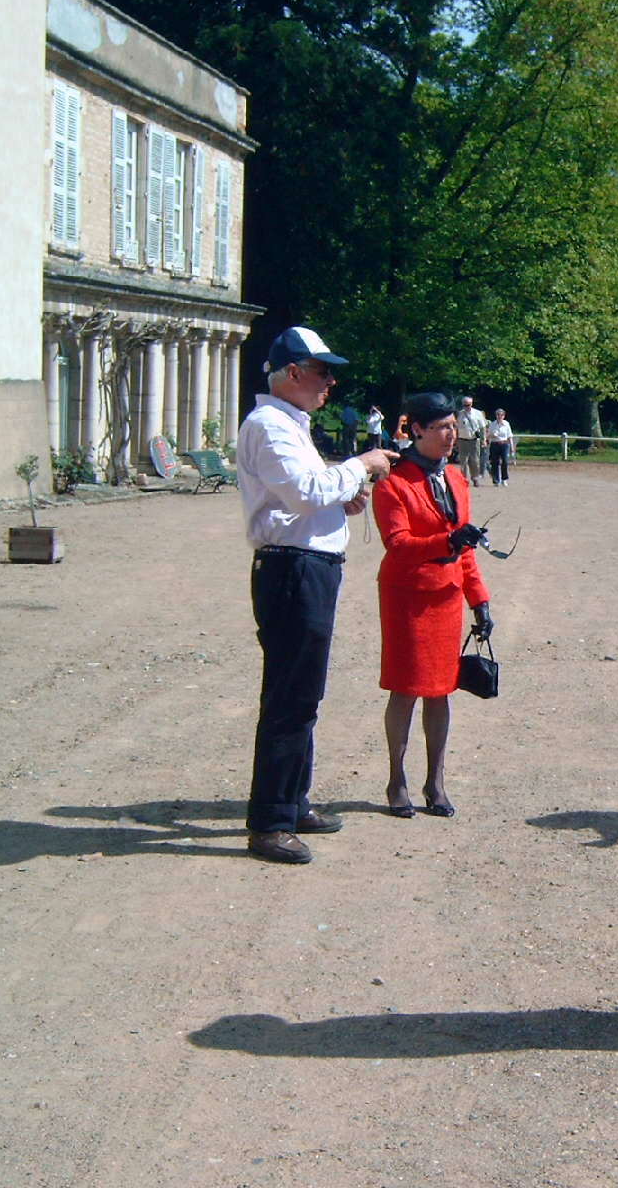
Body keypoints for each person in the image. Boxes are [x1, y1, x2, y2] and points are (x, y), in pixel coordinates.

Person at [235, 325, 395, 864]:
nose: (330, 382)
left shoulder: (287, 425)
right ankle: (271, 821)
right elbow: (304, 491)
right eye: (323, 372)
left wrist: (339, 495)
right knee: (289, 696)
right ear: (293, 373)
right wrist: (360, 466)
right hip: (292, 568)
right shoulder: (270, 425)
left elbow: (303, 493)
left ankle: (291, 801)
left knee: (303, 693)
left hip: (305, 565)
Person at [372, 393, 494, 819]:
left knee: (442, 690)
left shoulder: (457, 480)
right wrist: (447, 541)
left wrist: (479, 600)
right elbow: (398, 545)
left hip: (446, 597)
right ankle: (396, 779)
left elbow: (466, 550)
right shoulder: (392, 484)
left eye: (453, 426)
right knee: (405, 689)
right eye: (442, 427)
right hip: (407, 597)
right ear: (417, 430)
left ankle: (435, 781)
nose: (451, 434)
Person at [455, 394, 487, 487]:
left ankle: (475, 478)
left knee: (475, 461)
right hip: (462, 440)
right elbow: (456, 428)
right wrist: (455, 440)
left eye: (468, 405)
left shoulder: (478, 413)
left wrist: (483, 440)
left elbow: (483, 428)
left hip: (474, 440)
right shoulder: (459, 414)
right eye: (465, 405)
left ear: (471, 404)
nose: (467, 407)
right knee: (463, 461)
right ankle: (463, 479)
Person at [487, 408, 515, 486]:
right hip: (494, 444)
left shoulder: (506, 424)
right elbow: (488, 435)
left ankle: (504, 479)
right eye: (498, 415)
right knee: (494, 462)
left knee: (505, 461)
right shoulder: (492, 424)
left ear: (504, 416)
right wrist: (492, 435)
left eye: (501, 415)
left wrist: (512, 447)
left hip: (504, 444)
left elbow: (509, 436)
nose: (499, 416)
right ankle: (496, 480)